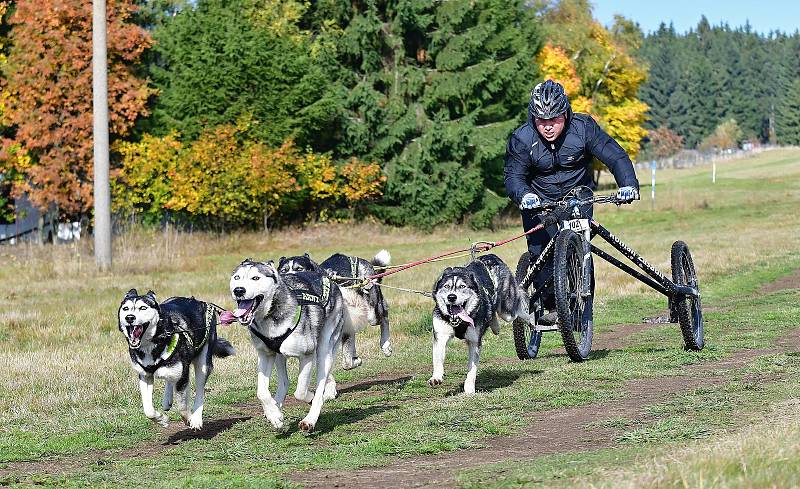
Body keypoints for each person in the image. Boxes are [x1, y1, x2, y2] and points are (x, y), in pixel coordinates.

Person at [504, 79, 640, 320]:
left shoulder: (583, 128)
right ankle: (553, 306)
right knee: (540, 254)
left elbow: (615, 156)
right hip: (539, 202)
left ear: (565, 113)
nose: (548, 126)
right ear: (532, 118)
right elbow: (514, 176)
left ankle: (581, 304)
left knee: (578, 248)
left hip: (578, 197)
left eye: (554, 119)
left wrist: (627, 184)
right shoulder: (522, 139)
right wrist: (523, 195)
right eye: (542, 120)